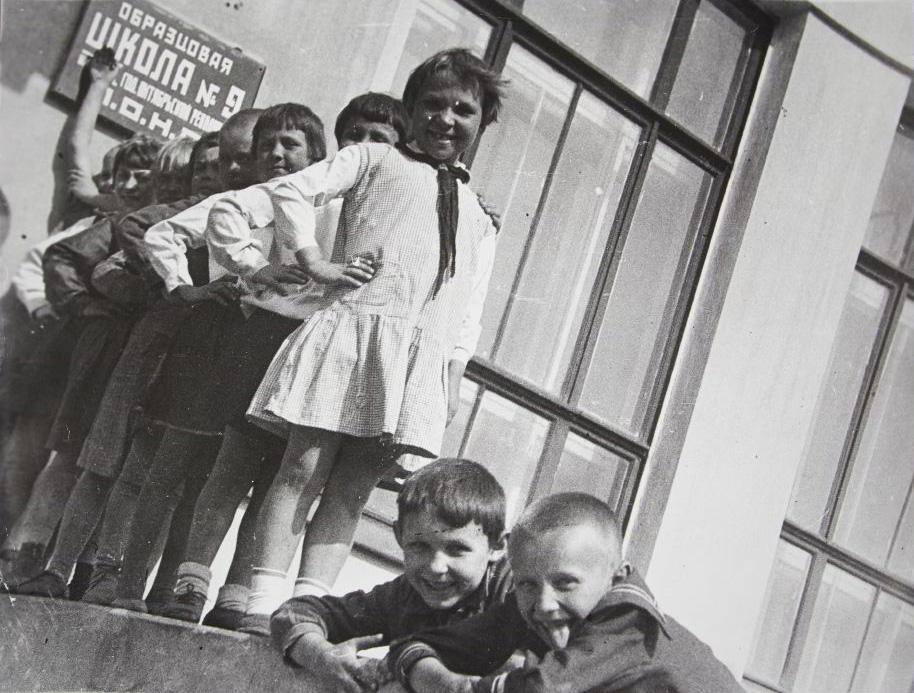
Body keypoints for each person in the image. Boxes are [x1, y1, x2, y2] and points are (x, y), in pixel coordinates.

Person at [238, 48, 505, 633]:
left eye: (463, 108)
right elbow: (290, 193)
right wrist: (314, 261)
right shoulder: (371, 158)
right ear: (409, 109)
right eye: (431, 104)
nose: (445, 118)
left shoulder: (481, 216)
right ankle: (261, 604)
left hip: (416, 366)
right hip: (353, 336)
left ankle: (307, 613)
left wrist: (451, 374)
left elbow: (470, 306)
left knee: (354, 488)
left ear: (481, 121)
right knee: (301, 470)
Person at [160, 93, 407, 630]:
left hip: (326, 348)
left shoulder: (394, 205)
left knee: (283, 478)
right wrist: (253, 267)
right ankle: (190, 581)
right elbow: (227, 211)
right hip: (270, 333)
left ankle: (238, 594)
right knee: (233, 465)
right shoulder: (316, 189)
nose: (365, 148)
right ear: (339, 142)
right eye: (355, 136)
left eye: (379, 140)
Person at [108, 103, 327, 618]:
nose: (275, 154)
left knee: (258, 475)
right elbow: (161, 235)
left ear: (318, 154)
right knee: (173, 464)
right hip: (224, 340)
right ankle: (126, 587)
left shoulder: (329, 207)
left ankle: (225, 594)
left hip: (287, 348)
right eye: (265, 146)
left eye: (289, 145)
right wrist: (189, 289)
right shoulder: (240, 201)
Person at [0, 135, 161, 591]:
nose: (131, 184)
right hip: (86, 353)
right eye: (124, 176)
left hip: (136, 357)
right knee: (61, 450)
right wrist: (84, 303)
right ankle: (23, 550)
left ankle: (74, 561)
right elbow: (58, 257)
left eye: (144, 178)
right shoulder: (118, 220)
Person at [388, 493, 744, 693]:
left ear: (616, 575)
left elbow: (538, 691)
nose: (543, 603)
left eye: (566, 583)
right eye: (526, 583)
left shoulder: (629, 621)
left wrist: (448, 687)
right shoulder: (534, 605)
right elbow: (419, 644)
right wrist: (427, 672)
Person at [271, 458, 511, 693]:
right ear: (399, 536)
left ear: (497, 547)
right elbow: (295, 612)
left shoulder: (519, 592)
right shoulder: (402, 597)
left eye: (457, 549)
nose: (436, 567)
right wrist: (321, 656)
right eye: (420, 546)